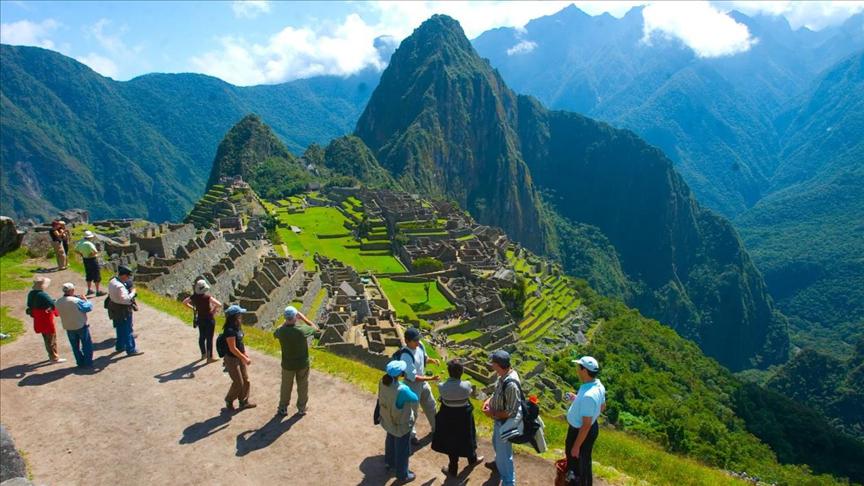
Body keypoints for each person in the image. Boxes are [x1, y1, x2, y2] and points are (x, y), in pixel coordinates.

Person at [432, 359, 483, 476]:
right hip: (464, 417)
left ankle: (453, 468)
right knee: (468, 437)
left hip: (448, 417)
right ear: (462, 372)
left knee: (451, 441)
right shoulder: (467, 386)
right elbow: (470, 393)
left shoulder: (442, 387)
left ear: (449, 372)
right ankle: (472, 459)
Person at [564, 356, 606, 486]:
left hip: (580, 432)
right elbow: (602, 407)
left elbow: (585, 425)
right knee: (585, 461)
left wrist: (576, 446)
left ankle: (575, 482)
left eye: (579, 367)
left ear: (584, 370)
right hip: (591, 428)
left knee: (576, 462)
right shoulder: (597, 385)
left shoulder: (589, 395)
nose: (577, 370)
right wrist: (577, 399)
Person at [482, 350, 521, 486]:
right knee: (495, 443)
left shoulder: (511, 385)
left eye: (493, 363)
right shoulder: (503, 376)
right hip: (499, 421)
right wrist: (489, 401)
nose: (491, 365)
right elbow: (498, 393)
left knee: (505, 456)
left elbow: (511, 411)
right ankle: (498, 464)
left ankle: (508, 482)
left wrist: (492, 413)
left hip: (505, 423)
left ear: (498, 365)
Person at [378, 360, 419, 482]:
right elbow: (415, 398)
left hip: (387, 418)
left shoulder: (382, 382)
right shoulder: (403, 389)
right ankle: (402, 475)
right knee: (402, 449)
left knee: (390, 439)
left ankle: (389, 463)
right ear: (400, 374)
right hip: (400, 422)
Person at [273, 305, 319, 416]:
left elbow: (276, 332)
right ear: (295, 317)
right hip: (302, 363)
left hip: (287, 364)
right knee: (303, 386)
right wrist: (303, 318)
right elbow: (315, 329)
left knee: (285, 387)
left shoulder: (281, 332)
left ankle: (283, 407)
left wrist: (285, 322)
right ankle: (302, 408)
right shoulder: (302, 330)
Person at [399, 327, 440, 444]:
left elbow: (424, 359)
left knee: (431, 406)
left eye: (418, 339)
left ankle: (436, 430)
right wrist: (431, 378)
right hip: (412, 385)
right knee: (412, 412)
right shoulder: (405, 355)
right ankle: (411, 436)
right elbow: (414, 377)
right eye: (415, 340)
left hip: (423, 383)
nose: (418, 342)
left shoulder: (420, 345)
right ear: (407, 341)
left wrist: (433, 360)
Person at [223, 304, 256, 411]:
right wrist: (244, 358)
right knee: (238, 383)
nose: (241, 315)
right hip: (232, 359)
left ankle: (243, 401)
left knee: (246, 380)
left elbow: (240, 343)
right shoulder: (229, 330)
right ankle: (229, 399)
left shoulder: (237, 327)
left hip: (239, 357)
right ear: (235, 316)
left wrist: (244, 353)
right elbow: (232, 348)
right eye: (240, 314)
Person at [26, 276, 64, 363]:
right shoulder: (43, 294)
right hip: (46, 319)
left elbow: (29, 304)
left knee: (45, 337)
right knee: (51, 338)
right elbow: (52, 304)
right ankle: (54, 357)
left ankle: (51, 355)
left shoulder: (31, 294)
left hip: (38, 318)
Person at [55, 282, 94, 368]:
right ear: (72, 290)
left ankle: (79, 362)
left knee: (75, 346)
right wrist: (85, 299)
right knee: (86, 344)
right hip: (80, 325)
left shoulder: (58, 302)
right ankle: (88, 362)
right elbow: (88, 307)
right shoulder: (76, 301)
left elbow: (57, 313)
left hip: (68, 326)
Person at [183, 279, 222, 363]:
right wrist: (214, 309)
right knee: (209, 338)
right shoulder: (207, 297)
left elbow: (185, 302)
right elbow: (219, 304)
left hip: (200, 319)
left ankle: (203, 354)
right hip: (209, 319)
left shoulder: (194, 297)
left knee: (202, 337)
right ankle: (210, 357)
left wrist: (194, 309)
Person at [107, 265, 143, 356]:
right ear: (124, 275)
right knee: (127, 329)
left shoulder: (112, 281)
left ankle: (120, 346)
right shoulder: (120, 286)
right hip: (123, 309)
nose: (128, 279)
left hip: (114, 307)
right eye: (127, 276)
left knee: (119, 327)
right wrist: (133, 293)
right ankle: (131, 349)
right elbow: (126, 299)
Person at [75, 230, 106, 296]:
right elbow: (95, 252)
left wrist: (81, 254)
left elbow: (76, 250)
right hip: (92, 260)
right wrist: (91, 255)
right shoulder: (89, 244)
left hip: (85, 259)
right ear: (89, 237)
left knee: (88, 274)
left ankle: (89, 290)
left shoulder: (80, 242)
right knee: (96, 275)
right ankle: (97, 291)